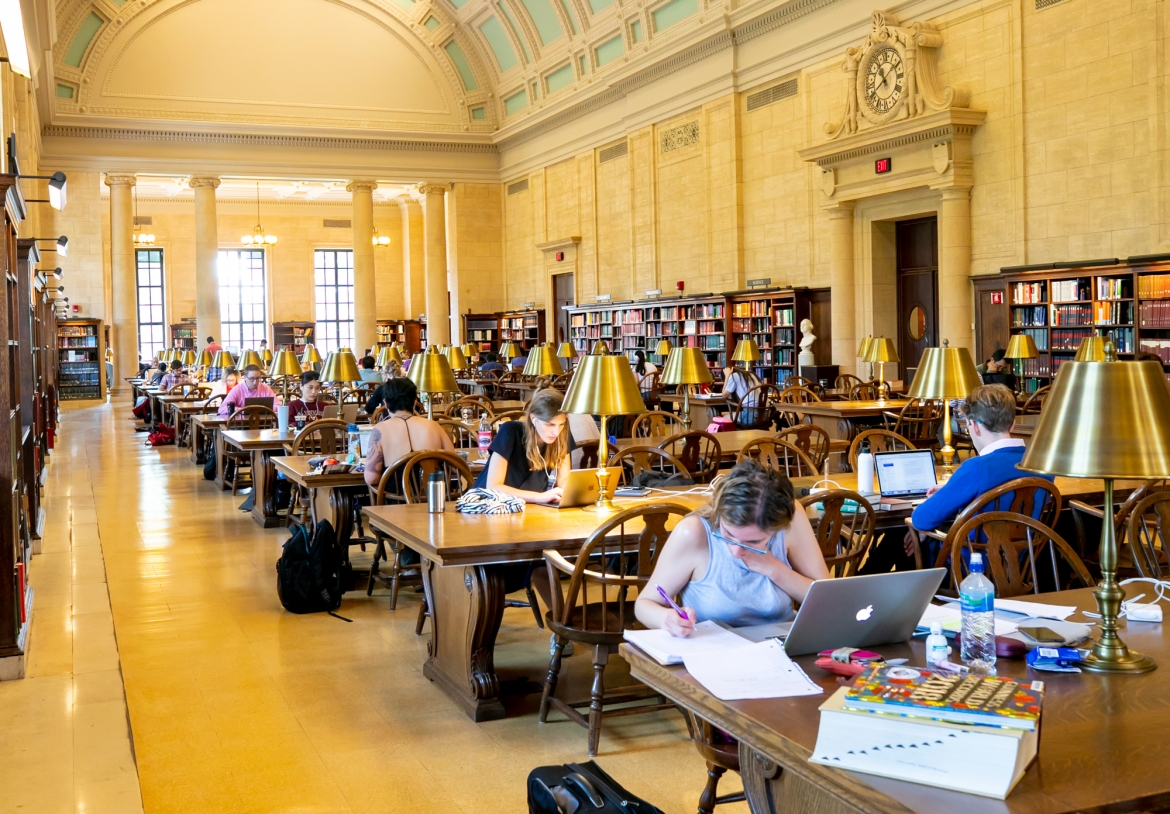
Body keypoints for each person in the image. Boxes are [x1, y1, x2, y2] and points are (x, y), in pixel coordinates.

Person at [634, 461, 830, 634]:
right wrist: (666, 619)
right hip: (713, 653)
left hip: (781, 645)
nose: (737, 552)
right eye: (728, 535)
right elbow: (643, 605)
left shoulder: (792, 517)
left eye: (753, 542)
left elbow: (828, 598)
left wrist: (773, 568)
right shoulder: (694, 533)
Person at [904, 384, 1053, 562]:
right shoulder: (1042, 464)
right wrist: (952, 489)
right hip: (1023, 564)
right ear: (1012, 424)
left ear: (974, 425)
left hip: (970, 569)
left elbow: (922, 519)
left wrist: (948, 493)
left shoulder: (977, 468)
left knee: (904, 537)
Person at [474, 388, 575, 505]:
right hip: (487, 505)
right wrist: (540, 497)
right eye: (549, 424)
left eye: (561, 424)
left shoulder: (563, 435)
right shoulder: (510, 432)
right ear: (533, 419)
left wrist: (571, 493)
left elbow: (563, 480)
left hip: (525, 507)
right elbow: (493, 487)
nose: (556, 432)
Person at [364, 378, 454, 487]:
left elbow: (371, 479)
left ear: (386, 403)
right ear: (415, 401)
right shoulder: (434, 426)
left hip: (396, 502)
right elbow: (455, 466)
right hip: (433, 500)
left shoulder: (380, 430)